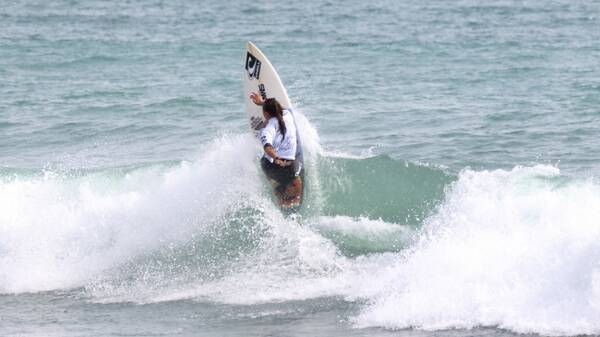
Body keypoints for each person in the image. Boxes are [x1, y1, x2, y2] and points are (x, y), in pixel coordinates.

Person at [250, 92, 303, 207]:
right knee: (297, 176)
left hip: (272, 166)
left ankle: (279, 196)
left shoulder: (267, 130)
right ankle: (296, 199)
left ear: (265, 114)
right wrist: (263, 103)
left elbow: (267, 147)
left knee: (270, 171)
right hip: (287, 166)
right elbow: (280, 108)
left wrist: (276, 158)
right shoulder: (287, 115)